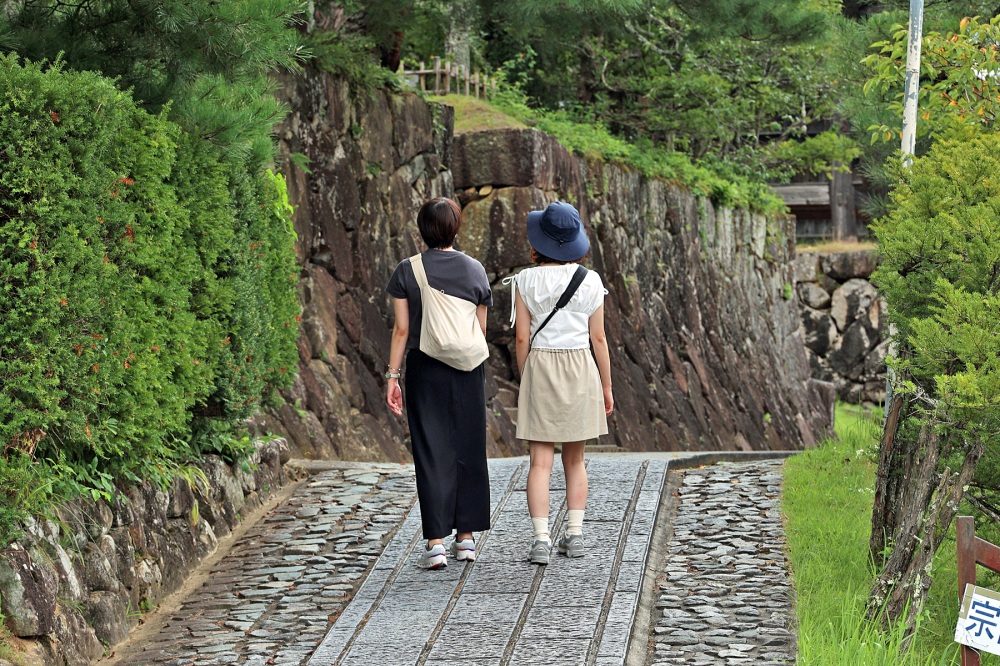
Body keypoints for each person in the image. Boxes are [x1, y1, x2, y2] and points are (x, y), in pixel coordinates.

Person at [385, 197, 493, 569]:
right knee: (469, 447)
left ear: (422, 229)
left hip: (424, 368)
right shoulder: (475, 270)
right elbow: (480, 330)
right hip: (467, 368)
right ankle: (466, 539)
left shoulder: (407, 270)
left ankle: (435, 543)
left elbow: (402, 329)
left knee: (432, 451)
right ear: (456, 228)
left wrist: (392, 376)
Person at [508, 201, 614, 565]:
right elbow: (598, 339)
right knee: (575, 459)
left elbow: (521, 338)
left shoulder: (525, 279)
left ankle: (540, 540)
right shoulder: (592, 281)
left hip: (540, 364)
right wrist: (607, 387)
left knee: (540, 461)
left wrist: (528, 377)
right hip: (581, 365)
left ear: (539, 243)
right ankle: (575, 534)